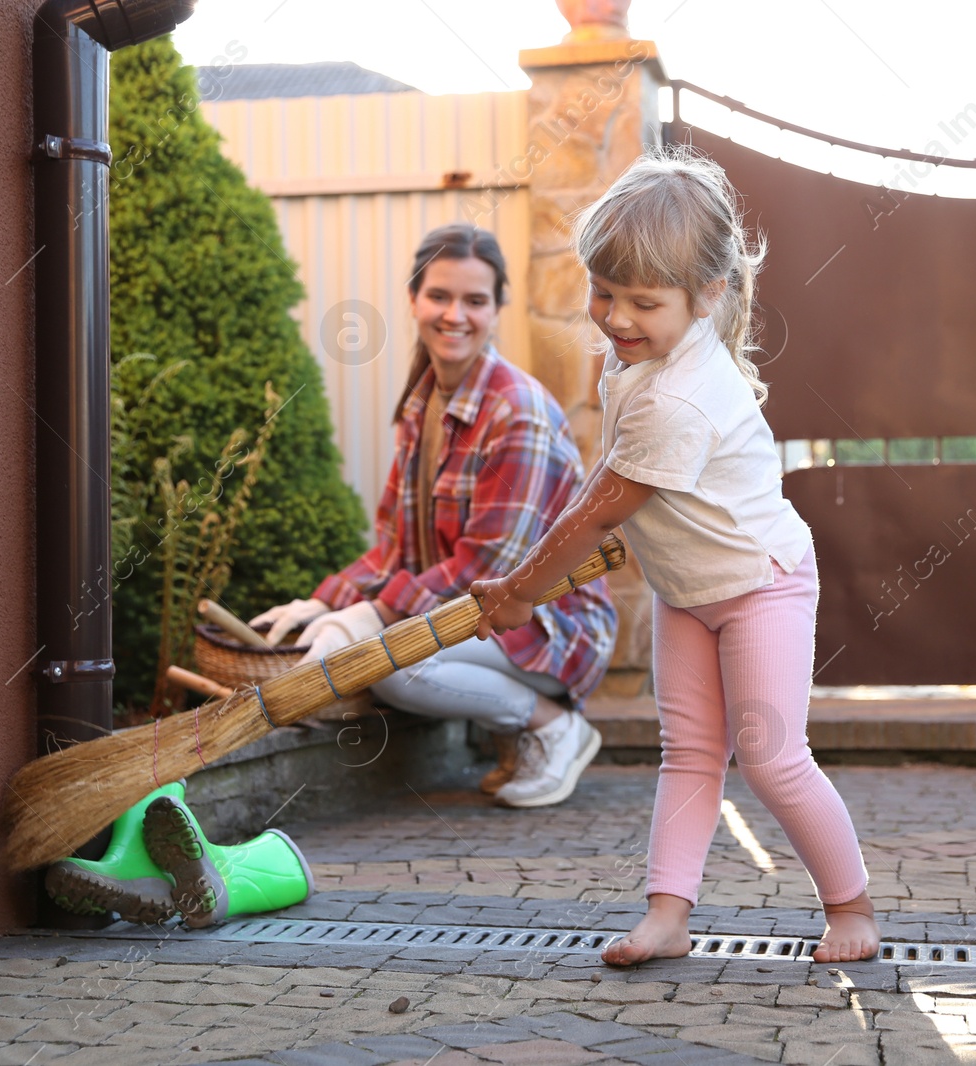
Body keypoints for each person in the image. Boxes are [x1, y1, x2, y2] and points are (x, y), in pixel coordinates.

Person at [471, 150, 878, 963]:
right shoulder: (640, 363)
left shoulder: (682, 395)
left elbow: (603, 511)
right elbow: (605, 484)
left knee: (769, 754)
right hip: (687, 592)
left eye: (642, 302)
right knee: (688, 752)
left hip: (760, 586)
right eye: (605, 293)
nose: (616, 317)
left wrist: (521, 594)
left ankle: (853, 910)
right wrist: (529, 573)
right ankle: (668, 916)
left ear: (708, 297)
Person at [252, 223, 617, 808]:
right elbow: (395, 547)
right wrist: (325, 601)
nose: (456, 315)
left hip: (553, 627)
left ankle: (552, 725)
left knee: (392, 664)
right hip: (481, 618)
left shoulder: (515, 410)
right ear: (415, 300)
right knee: (378, 643)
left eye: (475, 300)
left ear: (497, 309)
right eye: (440, 296)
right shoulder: (422, 404)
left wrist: (371, 614)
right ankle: (516, 731)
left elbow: (487, 566)